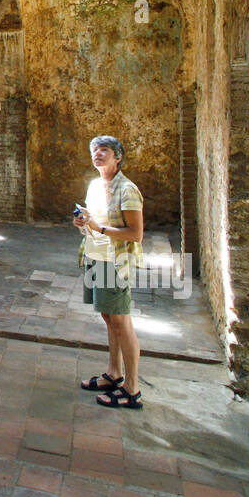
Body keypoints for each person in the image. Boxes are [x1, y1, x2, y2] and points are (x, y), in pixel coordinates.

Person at [74, 134, 145, 408]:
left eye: (104, 150)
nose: (98, 154)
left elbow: (135, 234)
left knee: (121, 321)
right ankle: (114, 373)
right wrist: (82, 222)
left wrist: (99, 228)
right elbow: (89, 223)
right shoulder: (94, 185)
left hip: (115, 262)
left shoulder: (127, 190)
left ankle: (132, 389)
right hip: (95, 257)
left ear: (118, 157)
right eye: (94, 150)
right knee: (108, 317)